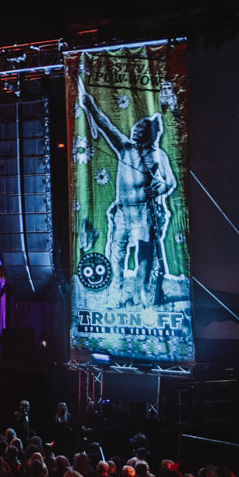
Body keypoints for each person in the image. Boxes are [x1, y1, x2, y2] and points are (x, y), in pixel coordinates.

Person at [82, 75, 177, 307]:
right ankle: (115, 294)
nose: (135, 132)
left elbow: (170, 182)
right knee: (117, 253)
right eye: (135, 130)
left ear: (148, 136)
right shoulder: (125, 148)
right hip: (123, 211)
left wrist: (159, 188)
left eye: (140, 131)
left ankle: (142, 293)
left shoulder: (158, 156)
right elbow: (105, 124)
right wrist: (90, 105)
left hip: (144, 212)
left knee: (144, 254)